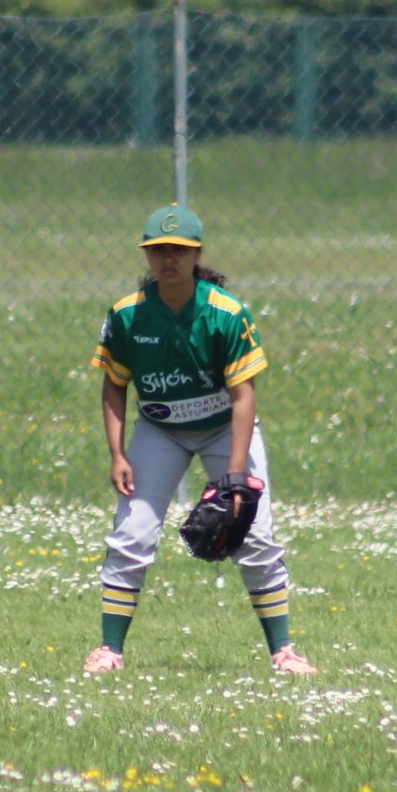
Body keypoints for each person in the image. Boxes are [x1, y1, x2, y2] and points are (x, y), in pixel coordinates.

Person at [87, 204, 316, 678]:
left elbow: (244, 395)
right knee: (131, 535)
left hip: (225, 428)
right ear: (147, 255)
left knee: (255, 536)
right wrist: (117, 453)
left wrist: (235, 473)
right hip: (159, 429)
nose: (168, 258)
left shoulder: (225, 314)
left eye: (179, 250)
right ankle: (109, 651)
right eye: (158, 250)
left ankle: (284, 652)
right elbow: (114, 384)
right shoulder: (128, 315)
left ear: (197, 254)